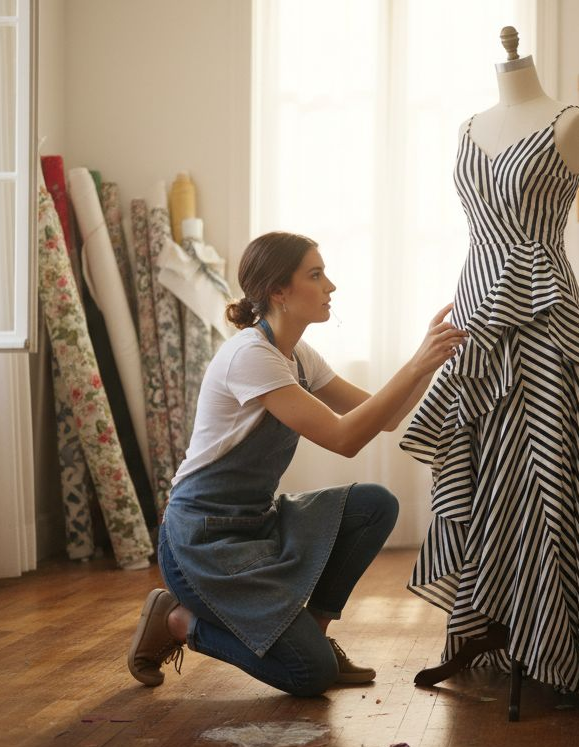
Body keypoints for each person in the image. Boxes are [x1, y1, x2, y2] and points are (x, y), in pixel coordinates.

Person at [126, 231, 466, 695]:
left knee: (375, 504)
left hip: (255, 524)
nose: (331, 286)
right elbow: (344, 439)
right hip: (201, 541)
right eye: (316, 274)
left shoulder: (298, 355)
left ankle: (318, 633)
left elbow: (384, 419)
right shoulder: (250, 356)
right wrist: (415, 364)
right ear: (278, 292)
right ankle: (179, 620)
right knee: (311, 676)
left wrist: (428, 364)